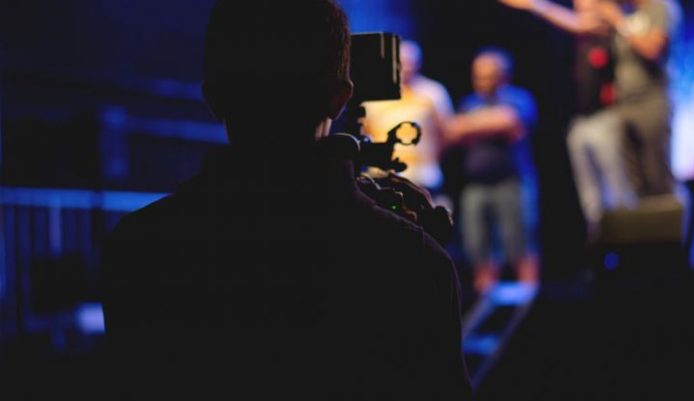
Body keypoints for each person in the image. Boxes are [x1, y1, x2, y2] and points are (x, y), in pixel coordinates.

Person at [101, 1, 472, 400]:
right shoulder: (413, 261)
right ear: (340, 98)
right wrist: (426, 257)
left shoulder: (138, 246)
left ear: (213, 97)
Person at [499, 0, 637, 235]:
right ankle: (603, 246)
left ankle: (631, 240)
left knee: (617, 191)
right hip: (579, 123)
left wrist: (535, 5)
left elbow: (578, 23)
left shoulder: (608, 25)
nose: (580, 3)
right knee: (591, 196)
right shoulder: (574, 38)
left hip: (605, 119)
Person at [447, 49, 538, 293]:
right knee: (478, 247)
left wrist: (471, 126)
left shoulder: (519, 98)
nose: (482, 82)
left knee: (519, 242)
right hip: (476, 185)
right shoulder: (469, 103)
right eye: (478, 76)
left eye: (489, 76)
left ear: (503, 76)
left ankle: (528, 299)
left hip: (511, 182)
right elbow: (453, 131)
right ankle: (485, 301)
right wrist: (484, 124)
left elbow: (509, 122)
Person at [598, 0, 680, 197]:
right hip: (625, 106)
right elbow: (577, 24)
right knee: (637, 186)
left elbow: (652, 49)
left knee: (659, 178)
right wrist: (538, 7)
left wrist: (619, 22)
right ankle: (650, 227)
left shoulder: (660, 8)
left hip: (651, 101)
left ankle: (674, 227)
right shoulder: (627, 12)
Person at [364, 40, 454, 194]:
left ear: (419, 63)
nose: (407, 67)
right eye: (402, 62)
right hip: (383, 177)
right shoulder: (375, 95)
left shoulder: (434, 92)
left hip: (424, 177)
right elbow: (366, 132)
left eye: (411, 62)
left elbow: (446, 133)